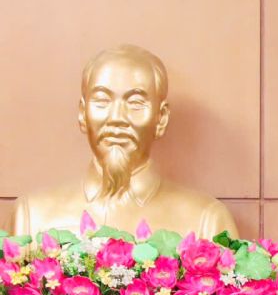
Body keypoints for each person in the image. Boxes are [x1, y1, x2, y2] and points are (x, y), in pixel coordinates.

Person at [12, 44, 237, 238]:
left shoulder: (205, 221)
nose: (117, 117)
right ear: (82, 113)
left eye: (135, 103)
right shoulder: (32, 217)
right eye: (102, 100)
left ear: (161, 118)